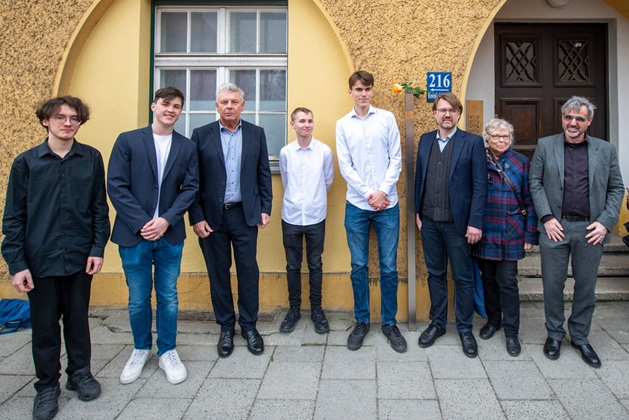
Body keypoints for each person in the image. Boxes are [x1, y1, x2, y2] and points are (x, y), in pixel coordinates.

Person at [2, 96, 110, 419]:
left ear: (80, 123)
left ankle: (80, 373)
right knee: (45, 327)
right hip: (40, 260)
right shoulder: (26, 163)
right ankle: (48, 385)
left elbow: (99, 210)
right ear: (45, 121)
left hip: (79, 257)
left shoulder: (91, 159)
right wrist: (17, 263)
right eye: (60, 117)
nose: (67, 122)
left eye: (74, 118)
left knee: (78, 321)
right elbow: (14, 218)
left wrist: (97, 248)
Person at [107, 87, 198, 385]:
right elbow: (116, 186)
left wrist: (167, 220)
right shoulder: (129, 140)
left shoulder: (186, 147)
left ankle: (167, 351)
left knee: (169, 296)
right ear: (153, 106)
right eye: (166, 104)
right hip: (134, 234)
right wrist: (145, 222)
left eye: (177, 106)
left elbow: (191, 188)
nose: (171, 110)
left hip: (170, 235)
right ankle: (141, 348)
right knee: (137, 298)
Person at [529, 96, 624, 368]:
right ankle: (555, 335)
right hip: (554, 228)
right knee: (552, 285)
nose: (573, 123)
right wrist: (546, 217)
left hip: (590, 229)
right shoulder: (546, 146)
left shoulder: (605, 150)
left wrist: (606, 222)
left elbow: (616, 188)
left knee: (586, 287)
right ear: (562, 118)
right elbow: (534, 182)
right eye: (569, 117)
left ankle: (580, 336)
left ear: (588, 122)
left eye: (579, 119)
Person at [189, 83, 273, 358]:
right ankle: (226, 327)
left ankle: (249, 326)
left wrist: (265, 207)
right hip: (212, 218)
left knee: (249, 271)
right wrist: (196, 216)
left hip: (245, 215)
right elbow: (194, 181)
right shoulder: (201, 135)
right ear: (216, 106)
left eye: (234, 102)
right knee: (218, 273)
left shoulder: (256, 133)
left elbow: (263, 174)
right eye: (224, 102)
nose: (229, 106)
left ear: (242, 106)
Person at [336, 70, 406, 353]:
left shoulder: (386, 119)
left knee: (389, 267)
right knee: (359, 266)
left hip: (387, 205)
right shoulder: (342, 125)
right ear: (350, 92)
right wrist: (368, 194)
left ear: (373, 91)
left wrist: (382, 193)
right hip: (356, 204)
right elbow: (345, 166)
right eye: (358, 89)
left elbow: (396, 159)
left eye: (367, 89)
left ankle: (389, 323)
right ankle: (362, 321)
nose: (363, 93)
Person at [415, 93, 487, 358]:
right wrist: (418, 212)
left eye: (452, 110)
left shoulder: (473, 143)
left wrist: (475, 223)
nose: (447, 114)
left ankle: (465, 329)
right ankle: (438, 324)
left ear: (458, 114)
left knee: (463, 277)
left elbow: (480, 187)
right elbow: (419, 177)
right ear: (434, 113)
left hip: (459, 226)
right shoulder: (425, 141)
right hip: (430, 222)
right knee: (435, 275)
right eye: (442, 110)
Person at [473, 118, 538, 357]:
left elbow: (529, 201)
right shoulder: (478, 159)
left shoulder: (521, 162)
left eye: (505, 137)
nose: (501, 140)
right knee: (487, 279)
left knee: (508, 283)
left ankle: (512, 331)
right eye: (496, 136)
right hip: (484, 229)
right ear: (487, 138)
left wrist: (530, 233)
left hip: (511, 230)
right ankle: (493, 321)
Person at [279, 107, 334, 334]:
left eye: (310, 120)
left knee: (315, 264)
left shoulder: (324, 151)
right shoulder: (285, 153)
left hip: (315, 216)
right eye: (302, 121)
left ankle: (316, 310)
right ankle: (294, 310)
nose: (307, 124)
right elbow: (285, 180)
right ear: (293, 124)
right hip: (291, 216)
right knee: (293, 266)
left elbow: (328, 180)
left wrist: (313, 200)